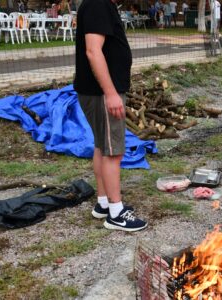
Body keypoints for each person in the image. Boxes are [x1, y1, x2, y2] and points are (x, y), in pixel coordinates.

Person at [74, 0, 147, 231]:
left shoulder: (99, 4)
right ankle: (116, 213)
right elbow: (93, 51)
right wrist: (111, 93)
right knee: (113, 151)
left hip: (97, 93)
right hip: (102, 94)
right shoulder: (98, 4)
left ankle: (104, 203)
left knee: (101, 146)